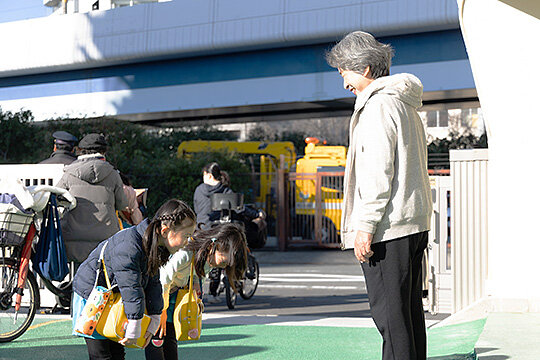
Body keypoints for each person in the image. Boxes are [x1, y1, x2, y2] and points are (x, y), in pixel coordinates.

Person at [326, 31, 433, 360]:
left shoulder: (376, 107)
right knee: (409, 315)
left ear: (365, 69)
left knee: (390, 318)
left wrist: (366, 225)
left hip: (389, 228)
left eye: (345, 72)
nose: (344, 82)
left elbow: (377, 171)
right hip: (412, 221)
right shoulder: (403, 103)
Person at [72, 199, 197, 360]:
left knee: (117, 353)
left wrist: (154, 318)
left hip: (114, 299)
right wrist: (135, 323)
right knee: (101, 355)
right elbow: (131, 288)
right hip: (93, 297)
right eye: (186, 236)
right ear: (165, 231)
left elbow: (154, 284)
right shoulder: (130, 246)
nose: (188, 242)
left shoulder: (155, 245)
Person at [144, 223, 248, 360]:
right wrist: (160, 311)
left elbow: (196, 275)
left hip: (172, 298)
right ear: (213, 246)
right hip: (158, 297)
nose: (222, 266)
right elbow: (163, 279)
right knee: (156, 339)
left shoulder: (208, 258)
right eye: (223, 262)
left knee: (170, 338)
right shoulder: (185, 252)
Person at [57, 133, 128, 266]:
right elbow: (122, 204)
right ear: (103, 151)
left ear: (81, 150)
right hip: (105, 239)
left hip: (73, 237)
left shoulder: (69, 174)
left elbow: (55, 198)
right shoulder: (113, 174)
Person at [193, 162, 232, 229]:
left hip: (201, 228)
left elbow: (197, 210)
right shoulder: (226, 191)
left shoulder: (199, 190)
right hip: (219, 230)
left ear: (209, 175)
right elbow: (239, 209)